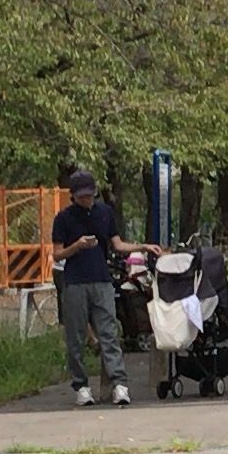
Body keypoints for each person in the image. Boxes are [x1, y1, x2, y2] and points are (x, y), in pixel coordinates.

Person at [50, 169, 138, 406]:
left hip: (102, 279)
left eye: (89, 195)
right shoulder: (64, 218)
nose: (86, 200)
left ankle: (119, 383)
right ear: (73, 195)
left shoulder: (105, 213)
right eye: (81, 196)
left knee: (109, 332)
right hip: (75, 281)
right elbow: (57, 254)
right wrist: (77, 246)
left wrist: (144, 247)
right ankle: (81, 385)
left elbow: (117, 244)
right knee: (76, 336)